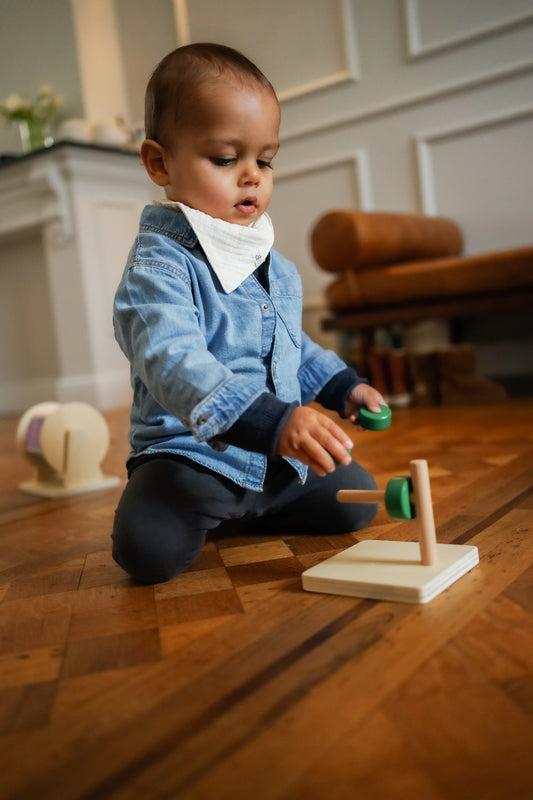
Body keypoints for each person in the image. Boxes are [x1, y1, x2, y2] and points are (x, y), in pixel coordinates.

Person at [112, 43, 385, 584]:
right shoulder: (157, 267)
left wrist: (342, 388)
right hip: (193, 458)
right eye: (224, 159)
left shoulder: (272, 264)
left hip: (278, 454)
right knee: (147, 552)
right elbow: (173, 359)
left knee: (358, 503)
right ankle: (223, 503)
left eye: (264, 160)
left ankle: (256, 502)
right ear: (159, 162)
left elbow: (292, 346)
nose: (252, 176)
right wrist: (270, 420)